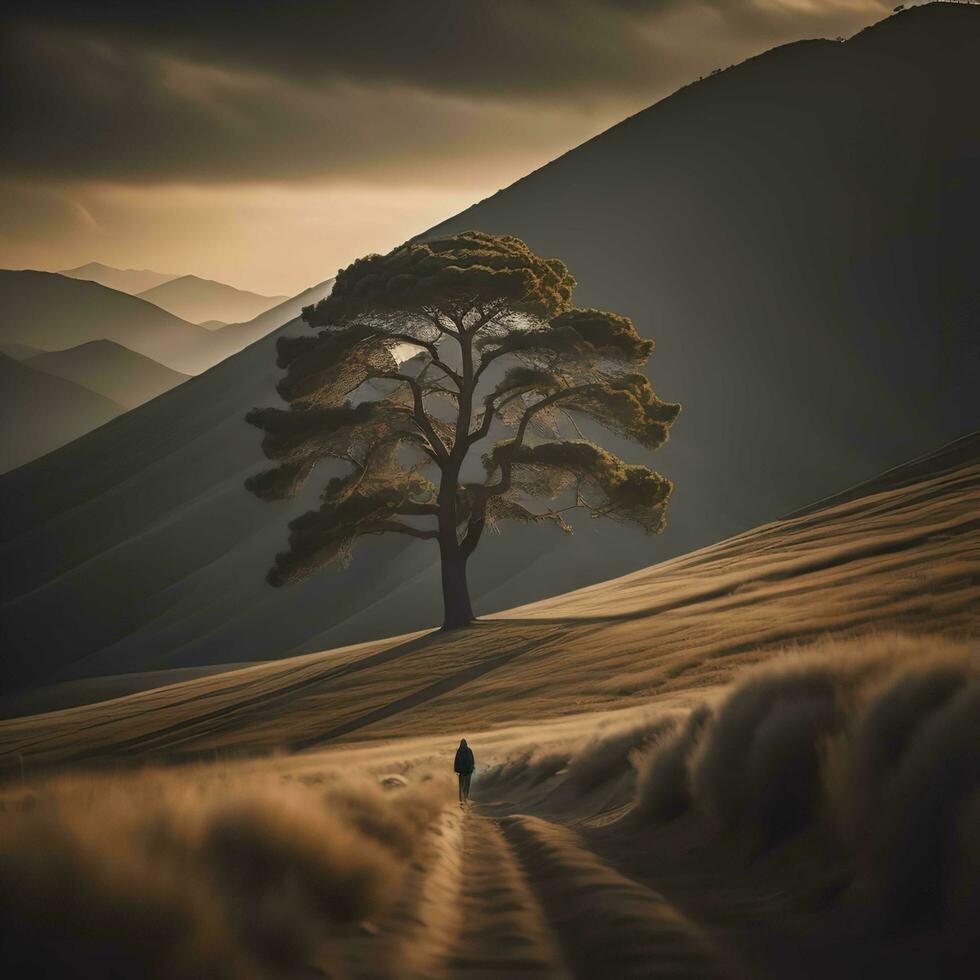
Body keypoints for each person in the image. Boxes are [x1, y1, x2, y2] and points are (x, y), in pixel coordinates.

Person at [454, 738, 475, 806]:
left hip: (468, 771)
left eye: (464, 743)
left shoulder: (469, 751)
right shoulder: (459, 751)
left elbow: (472, 760)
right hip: (462, 772)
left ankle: (465, 798)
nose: (463, 745)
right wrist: (456, 769)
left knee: (466, 786)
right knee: (462, 787)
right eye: (462, 743)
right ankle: (461, 800)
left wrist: (472, 768)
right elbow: (456, 761)